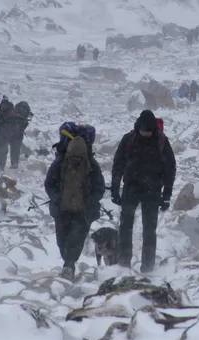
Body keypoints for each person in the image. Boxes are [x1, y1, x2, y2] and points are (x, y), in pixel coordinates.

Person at [111, 110, 177, 273]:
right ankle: (123, 263)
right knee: (125, 226)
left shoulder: (161, 141)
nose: (146, 134)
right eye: (143, 131)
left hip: (152, 191)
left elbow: (170, 169)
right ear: (138, 127)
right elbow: (118, 165)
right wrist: (114, 189)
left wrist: (167, 195)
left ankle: (147, 268)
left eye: (149, 132)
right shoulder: (128, 139)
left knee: (149, 230)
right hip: (131, 188)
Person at [43, 122, 104, 279]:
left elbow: (99, 187)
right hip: (62, 209)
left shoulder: (91, 166)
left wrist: (90, 201)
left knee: (76, 239)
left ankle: (69, 265)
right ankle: (68, 262)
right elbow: (49, 184)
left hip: (82, 211)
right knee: (62, 241)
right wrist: (57, 198)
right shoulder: (60, 164)